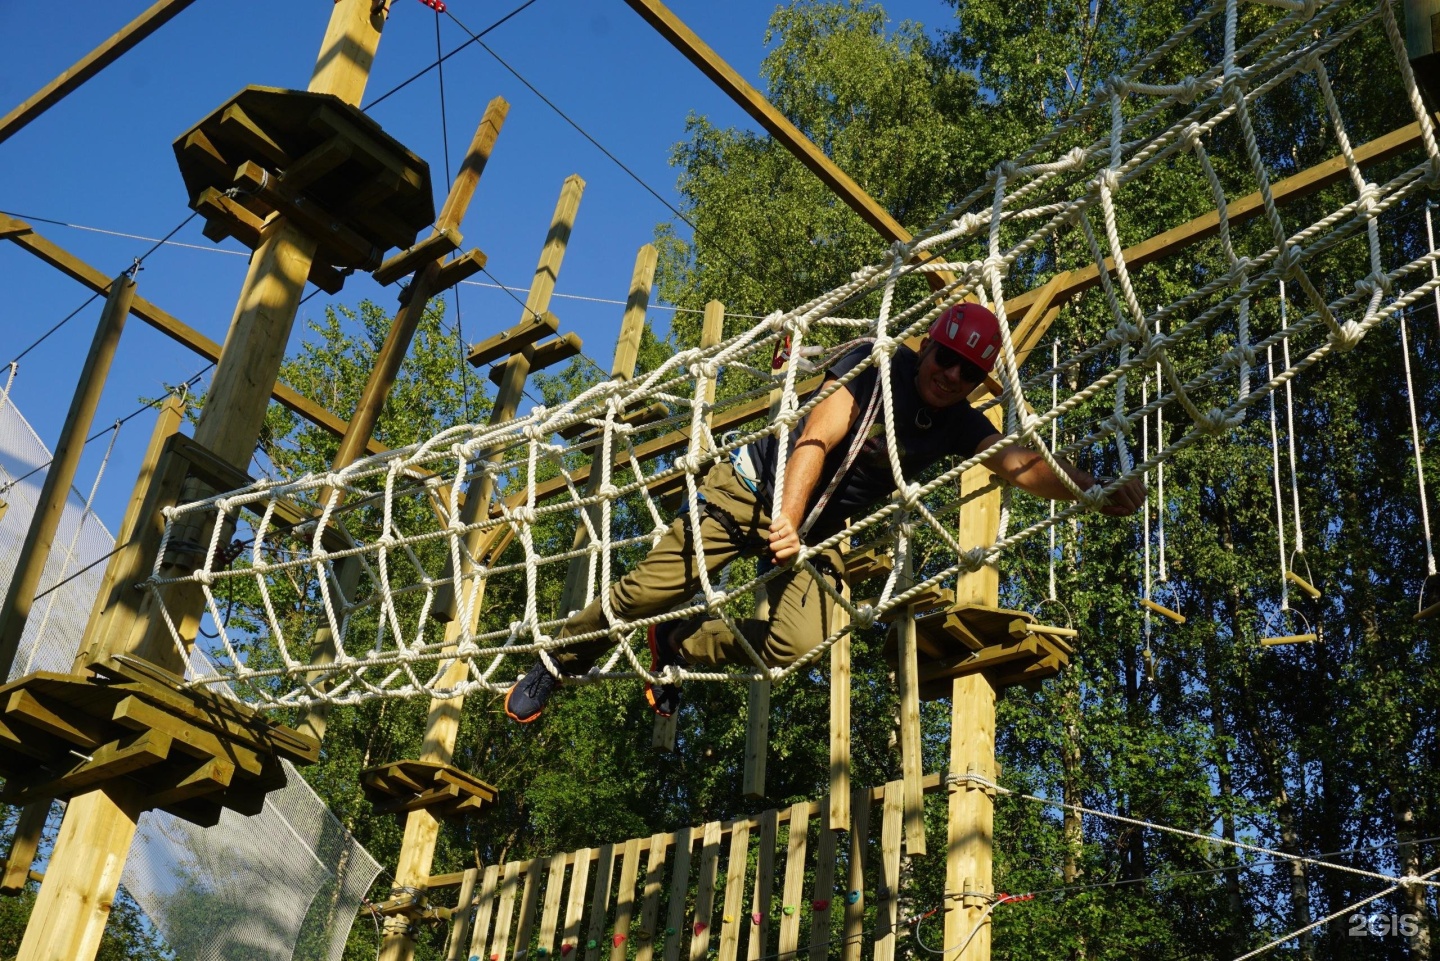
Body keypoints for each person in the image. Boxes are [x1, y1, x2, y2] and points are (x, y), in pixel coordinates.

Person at [504, 303, 1145, 723]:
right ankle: (560, 660)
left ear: (979, 382)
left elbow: (1018, 464)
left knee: (796, 645)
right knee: (648, 590)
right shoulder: (875, 367)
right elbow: (818, 434)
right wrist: (786, 514)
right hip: (755, 493)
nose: (950, 375)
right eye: (945, 358)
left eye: (968, 371)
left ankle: (679, 644)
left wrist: (1089, 489)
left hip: (820, 532)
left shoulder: (959, 422)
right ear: (927, 349)